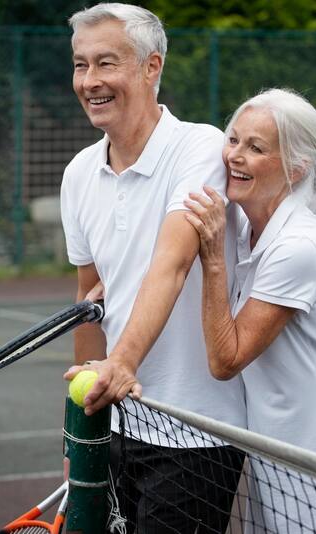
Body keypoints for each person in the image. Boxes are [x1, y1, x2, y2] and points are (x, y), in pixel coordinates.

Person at [60, 3, 247, 533]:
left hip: (196, 434)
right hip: (116, 427)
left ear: (151, 67)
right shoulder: (78, 174)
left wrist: (122, 364)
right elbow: (87, 307)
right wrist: (80, 432)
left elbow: (173, 262)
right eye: (80, 65)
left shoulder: (200, 147)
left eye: (106, 63)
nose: (90, 81)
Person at [184, 88, 316, 532]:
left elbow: (226, 359)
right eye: (234, 140)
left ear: (297, 169)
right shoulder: (244, 223)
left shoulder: (298, 246)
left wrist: (213, 261)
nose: (234, 157)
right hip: (276, 449)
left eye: (255, 148)